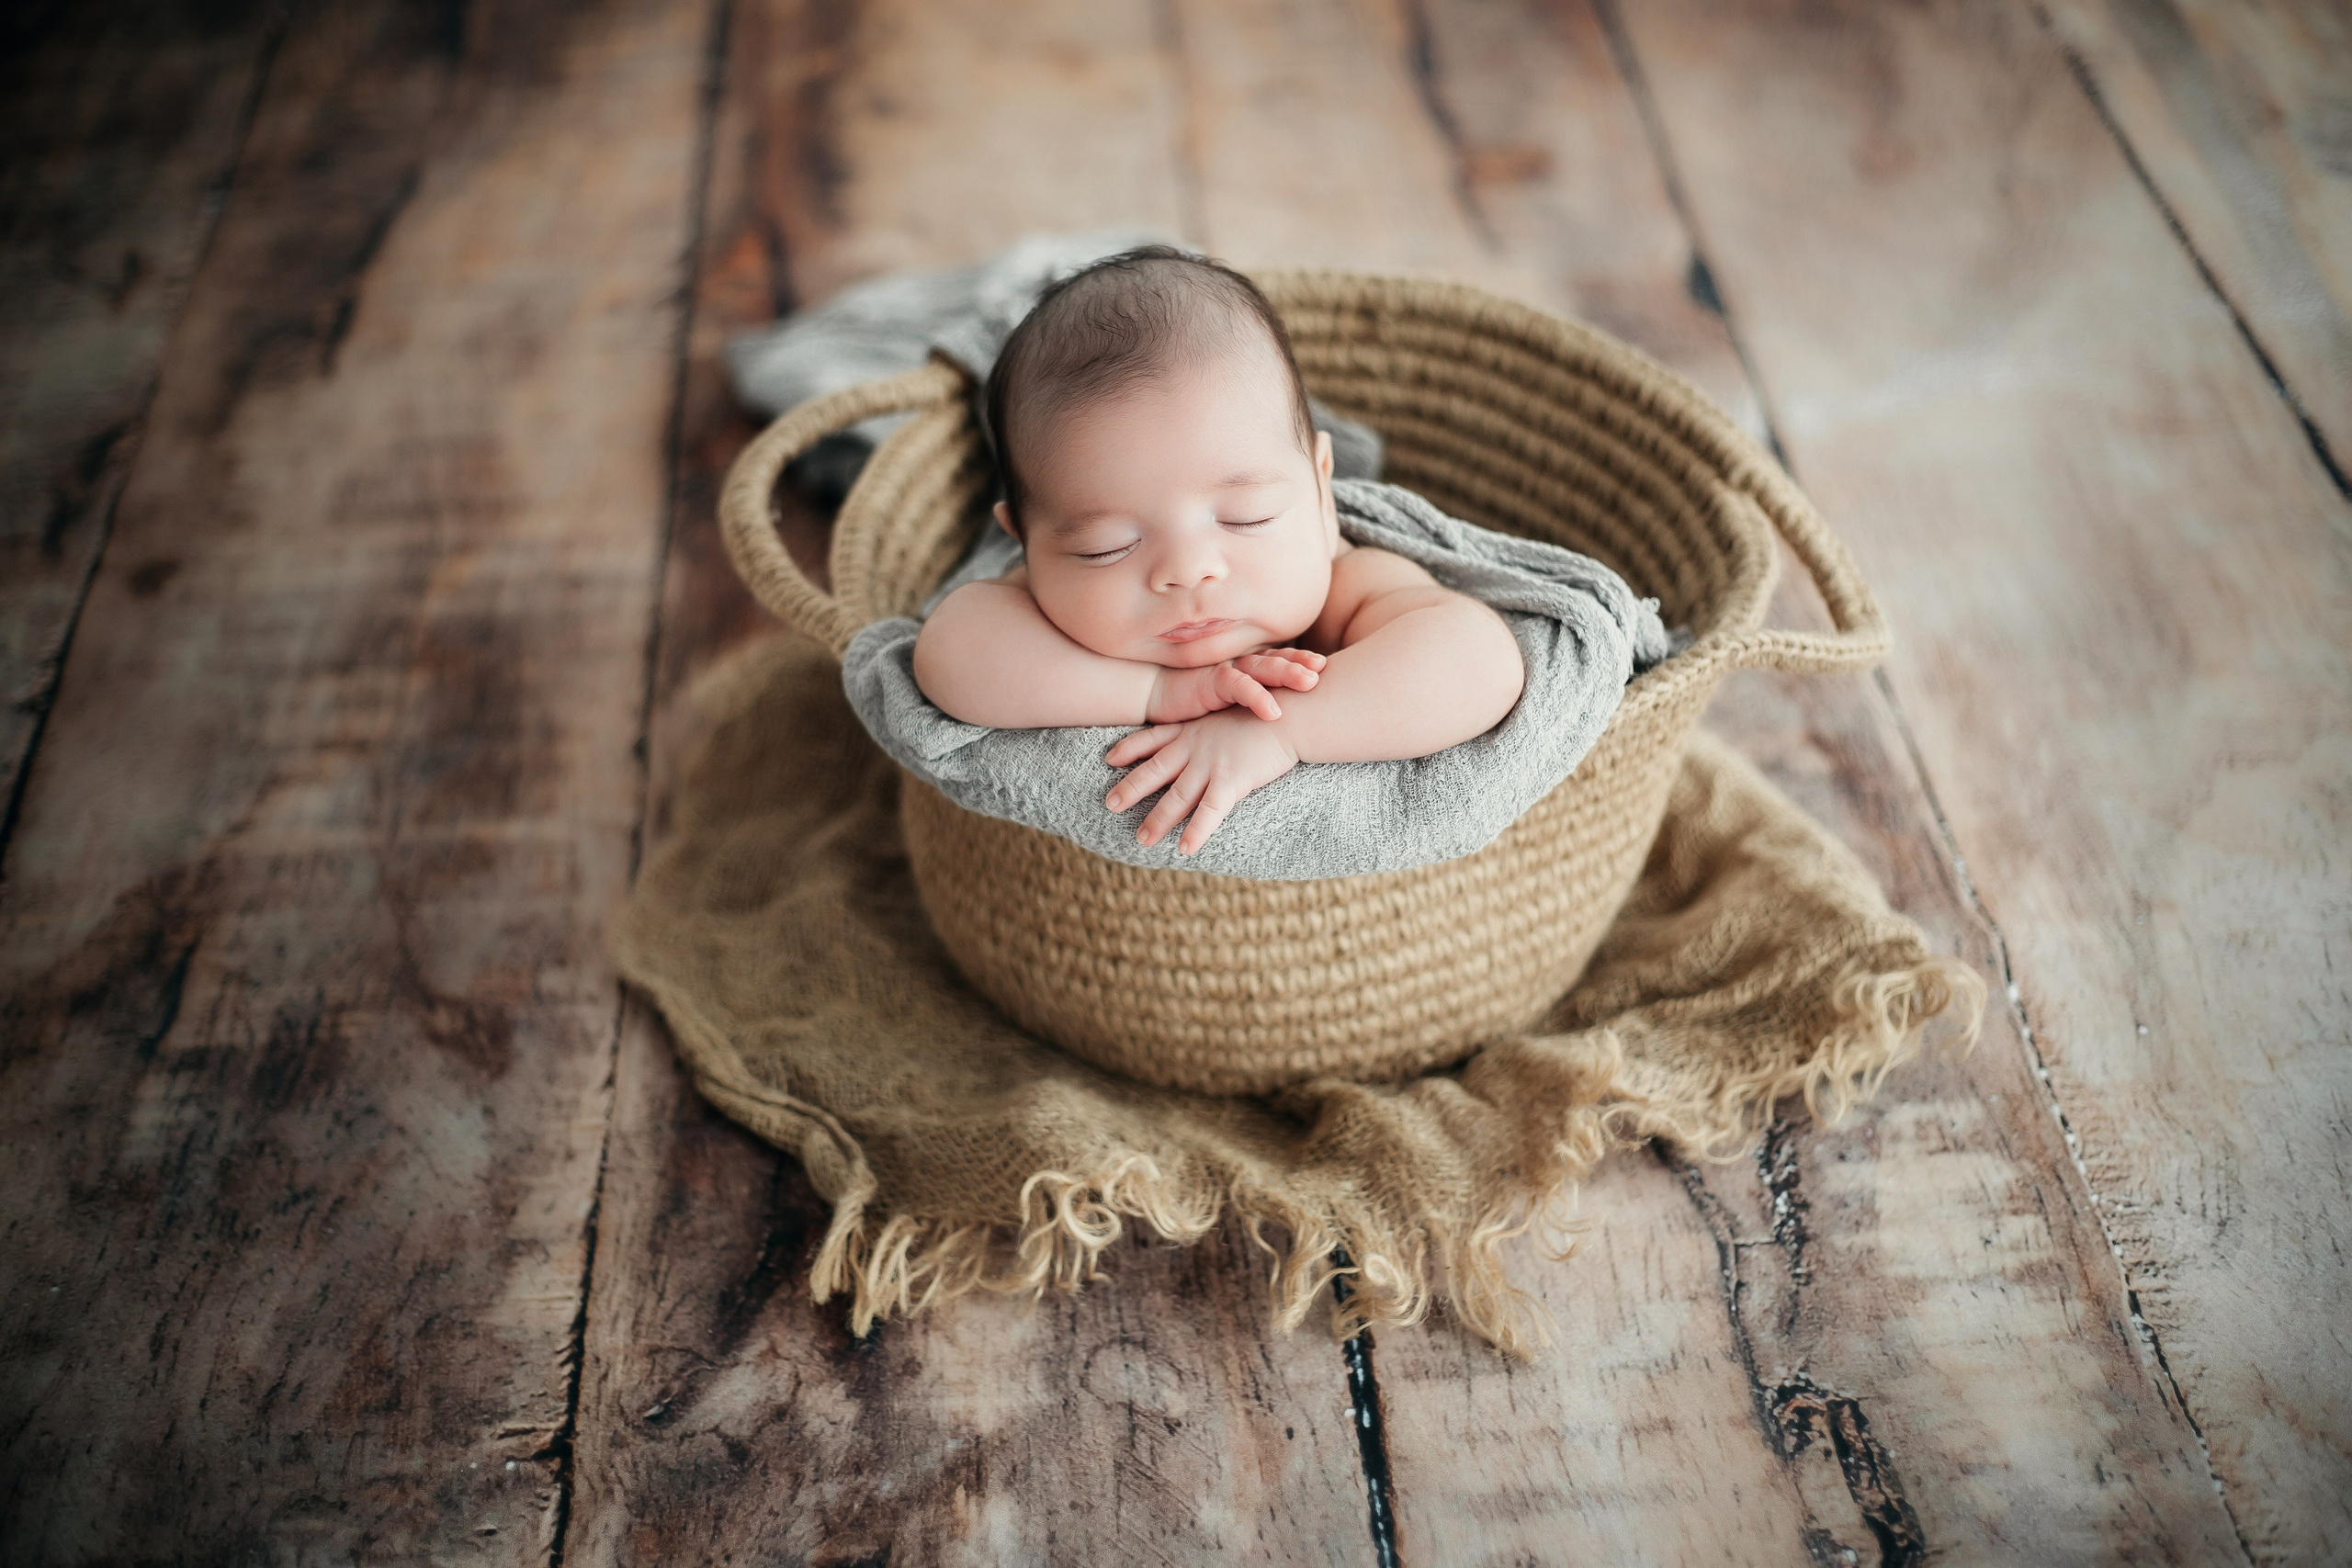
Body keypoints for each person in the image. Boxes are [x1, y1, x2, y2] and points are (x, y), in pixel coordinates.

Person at [911, 247, 1526, 856]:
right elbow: (950, 652)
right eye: (1107, 548)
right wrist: (1155, 692)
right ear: (1024, 540)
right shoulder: (1041, 599)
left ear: (1321, 488)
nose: (1188, 571)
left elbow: (1479, 661)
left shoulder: (1346, 582)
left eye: (1246, 517)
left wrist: (1282, 732)